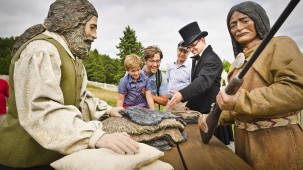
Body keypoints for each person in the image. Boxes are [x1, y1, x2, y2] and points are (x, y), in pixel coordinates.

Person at [0, 0, 139, 169]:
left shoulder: (73, 57)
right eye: (92, 27)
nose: (95, 35)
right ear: (72, 24)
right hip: (26, 159)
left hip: (54, 155)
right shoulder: (41, 50)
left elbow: (79, 99)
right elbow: (41, 109)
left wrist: (108, 110)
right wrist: (96, 137)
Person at [199, 1, 303, 169]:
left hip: (277, 144)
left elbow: (296, 91)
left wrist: (239, 101)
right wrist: (215, 117)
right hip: (243, 145)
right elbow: (235, 106)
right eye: (233, 25)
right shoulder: (236, 64)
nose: (238, 27)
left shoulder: (280, 44)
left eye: (245, 20)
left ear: (258, 20)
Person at [168, 21, 233, 145]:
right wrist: (190, 103)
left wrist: (182, 94)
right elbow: (196, 85)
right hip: (199, 113)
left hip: (210, 114)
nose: (192, 49)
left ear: (202, 39)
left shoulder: (212, 59)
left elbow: (203, 81)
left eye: (193, 45)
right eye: (189, 47)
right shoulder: (197, 59)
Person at [165, 41, 191, 111]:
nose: (182, 54)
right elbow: (167, 81)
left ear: (189, 52)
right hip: (169, 102)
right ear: (177, 50)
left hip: (183, 105)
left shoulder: (191, 68)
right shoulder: (170, 65)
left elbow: (192, 87)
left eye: (185, 52)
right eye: (180, 50)